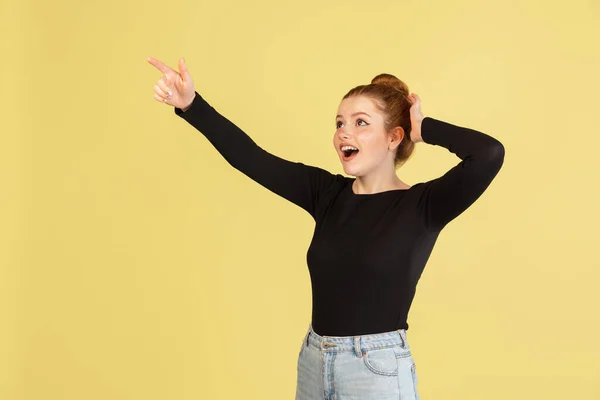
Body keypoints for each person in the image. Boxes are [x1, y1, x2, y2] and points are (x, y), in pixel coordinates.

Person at [147, 56, 505, 400]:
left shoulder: (424, 206)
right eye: (339, 123)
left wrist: (423, 128)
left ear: (394, 137)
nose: (343, 133)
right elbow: (251, 158)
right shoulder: (326, 193)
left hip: (375, 370)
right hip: (314, 359)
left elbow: (488, 153)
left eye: (361, 123)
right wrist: (192, 105)